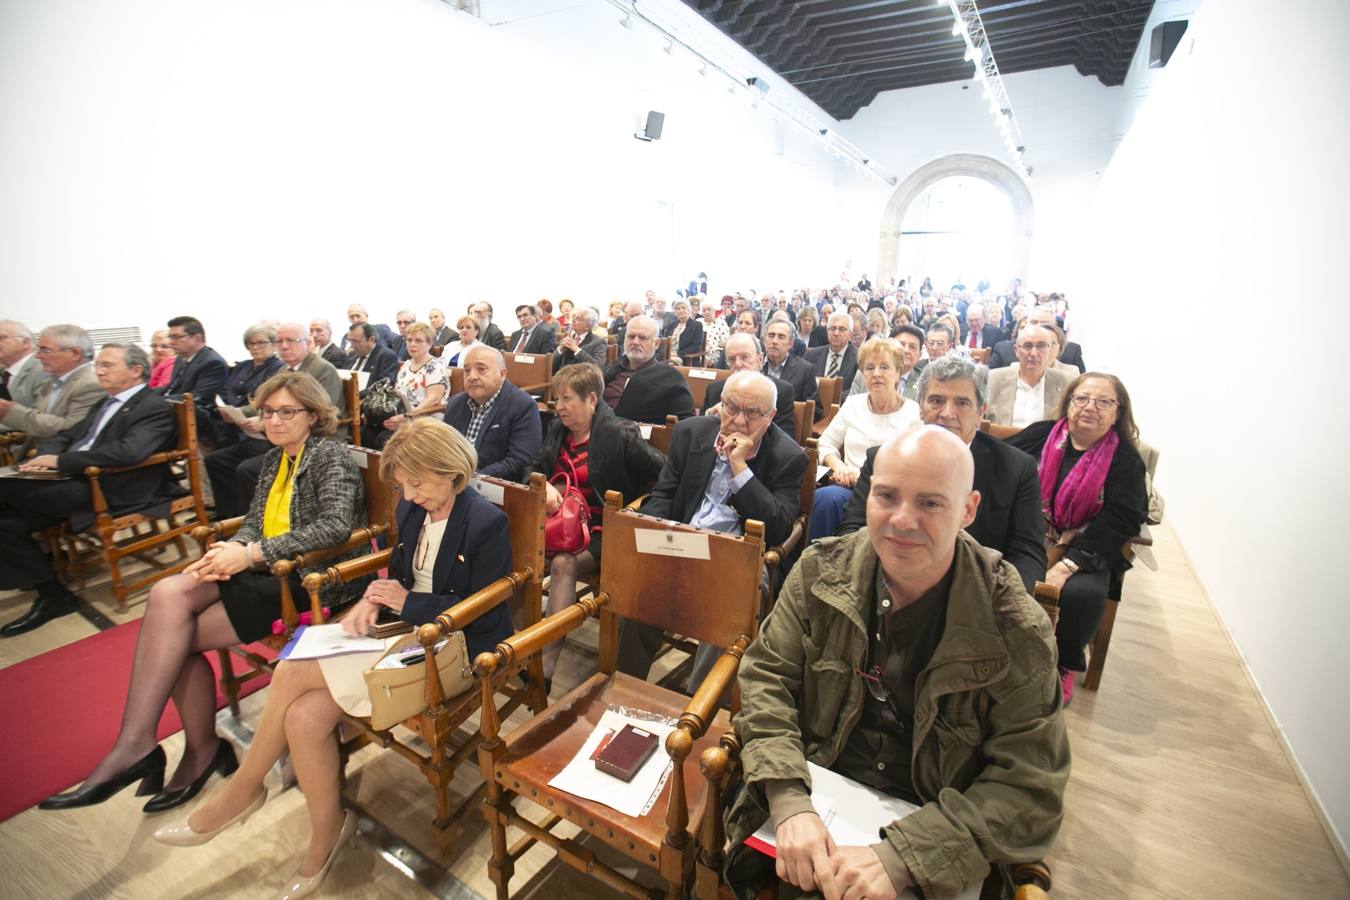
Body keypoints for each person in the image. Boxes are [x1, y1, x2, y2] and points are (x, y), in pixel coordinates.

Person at [153, 418, 507, 897]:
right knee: (302, 717)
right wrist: (374, 599)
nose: (409, 494)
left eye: (418, 482)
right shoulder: (410, 509)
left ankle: (242, 791)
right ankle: (328, 829)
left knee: (294, 668)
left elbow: (485, 610)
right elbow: (399, 573)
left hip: (455, 648)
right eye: (402, 484)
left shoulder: (485, 521)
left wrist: (410, 605)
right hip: (403, 631)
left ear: (452, 472)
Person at [723, 426, 1070, 899]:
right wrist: (787, 798)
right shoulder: (819, 573)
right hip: (819, 800)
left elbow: (1029, 787)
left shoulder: (1013, 627)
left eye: (930, 503)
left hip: (939, 830)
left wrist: (905, 858)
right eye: (886, 496)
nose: (902, 521)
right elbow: (766, 680)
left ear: (968, 510)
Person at [40, 371, 369, 813]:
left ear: (313, 414)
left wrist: (251, 554)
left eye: (286, 412)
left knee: (175, 644)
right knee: (168, 593)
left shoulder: (331, 456)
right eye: (267, 412)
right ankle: (141, 743)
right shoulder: (275, 459)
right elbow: (254, 519)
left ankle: (185, 750)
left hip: (304, 579)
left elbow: (334, 528)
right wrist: (231, 548)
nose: (273, 421)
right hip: (265, 563)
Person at [619, 371, 807, 684]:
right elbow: (664, 493)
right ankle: (625, 688)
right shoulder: (691, 433)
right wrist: (659, 535)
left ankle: (701, 704)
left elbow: (777, 528)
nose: (739, 421)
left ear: (771, 416)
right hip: (683, 541)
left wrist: (740, 468)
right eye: (731, 408)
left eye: (752, 413)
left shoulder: (787, 457)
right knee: (642, 588)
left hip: (737, 556)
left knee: (734, 597)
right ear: (719, 405)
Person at [0, 343, 177, 637]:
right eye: (99, 365)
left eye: (108, 365)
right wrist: (43, 459)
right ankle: (54, 596)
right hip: (74, 480)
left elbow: (129, 452)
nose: (99, 371)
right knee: (5, 526)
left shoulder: (153, 406)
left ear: (135, 370)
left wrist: (62, 461)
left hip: (112, 486)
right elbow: (68, 434)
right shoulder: (106, 401)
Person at [838, 354, 1047, 593]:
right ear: (920, 408)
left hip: (978, 596)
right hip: (889, 588)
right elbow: (852, 531)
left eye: (962, 403)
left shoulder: (1016, 468)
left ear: (981, 412)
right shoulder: (884, 458)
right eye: (936, 401)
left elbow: (1028, 556)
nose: (947, 413)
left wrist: (994, 598)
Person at [1008, 373, 1148, 704]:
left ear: (1118, 411)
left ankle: (1061, 662)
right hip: (1027, 531)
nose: (1090, 407)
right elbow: (1001, 460)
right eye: (1082, 398)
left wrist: (1068, 563)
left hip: (1086, 546)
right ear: (1069, 402)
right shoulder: (1043, 435)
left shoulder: (1124, 459)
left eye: (1104, 402)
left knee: (1082, 595)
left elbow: (1123, 517)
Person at [525, 363, 665, 684]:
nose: (557, 407)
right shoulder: (558, 430)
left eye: (565, 399)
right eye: (556, 399)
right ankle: (517, 644)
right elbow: (531, 467)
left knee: (563, 565)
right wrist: (542, 483)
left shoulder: (619, 432)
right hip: (558, 525)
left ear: (591, 399)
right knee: (513, 546)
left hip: (602, 532)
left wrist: (634, 513)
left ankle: (544, 666)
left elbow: (664, 473)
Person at [207, 323, 345, 519]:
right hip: (283, 434)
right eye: (280, 341)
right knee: (216, 460)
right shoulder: (284, 370)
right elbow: (263, 402)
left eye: (291, 340)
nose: (284, 346)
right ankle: (229, 518)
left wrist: (265, 421)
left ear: (308, 342)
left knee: (247, 470)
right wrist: (239, 412)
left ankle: (257, 522)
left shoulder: (322, 369)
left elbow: (321, 413)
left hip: (316, 438)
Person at [810, 338, 922, 540]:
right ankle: (816, 563)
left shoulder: (914, 413)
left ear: (898, 372)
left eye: (885, 367)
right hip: (848, 488)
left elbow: (915, 467)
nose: (876, 374)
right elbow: (825, 443)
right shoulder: (853, 404)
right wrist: (839, 467)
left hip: (891, 495)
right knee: (824, 499)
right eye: (869, 367)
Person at [0, 324, 103, 457]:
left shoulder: (90, 385)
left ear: (75, 354)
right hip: (34, 456)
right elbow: (38, 418)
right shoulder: (51, 382)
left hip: (63, 460)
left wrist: (10, 411)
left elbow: (71, 428)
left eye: (45, 350)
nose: (38, 356)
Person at [442, 345, 542, 481]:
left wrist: (472, 478)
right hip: (452, 481)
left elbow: (519, 461)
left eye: (481, 369)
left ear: (502, 374)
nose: (472, 377)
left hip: (495, 488)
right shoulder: (455, 403)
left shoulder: (523, 406)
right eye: (466, 371)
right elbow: (443, 448)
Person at [361, 321, 449, 449]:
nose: (413, 344)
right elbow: (395, 396)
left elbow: (434, 399)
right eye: (409, 340)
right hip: (400, 415)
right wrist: (375, 413)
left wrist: (407, 417)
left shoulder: (435, 366)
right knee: (365, 432)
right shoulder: (406, 365)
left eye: (418, 341)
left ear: (429, 344)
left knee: (384, 439)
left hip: (422, 420)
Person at [601, 315, 695, 424]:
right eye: (631, 336)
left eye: (642, 338)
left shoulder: (671, 378)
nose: (635, 342)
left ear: (656, 343)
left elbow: (686, 423)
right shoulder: (611, 370)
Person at [702, 334, 795, 436]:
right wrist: (709, 415)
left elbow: (783, 439)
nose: (737, 364)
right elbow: (702, 434)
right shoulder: (715, 390)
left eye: (745, 357)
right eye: (731, 359)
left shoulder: (781, 391)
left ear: (760, 360)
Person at [210, 323, 284, 446]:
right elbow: (225, 389)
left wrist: (239, 412)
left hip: (252, 426)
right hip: (226, 421)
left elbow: (266, 399)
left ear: (274, 345)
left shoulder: (279, 368)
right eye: (251, 343)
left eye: (261, 343)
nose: (255, 347)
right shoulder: (241, 366)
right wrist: (224, 408)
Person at [986, 325, 1072, 428]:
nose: (1034, 353)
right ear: (1016, 351)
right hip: (1001, 441)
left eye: (1041, 346)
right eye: (1027, 346)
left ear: (1050, 350)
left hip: (1045, 443)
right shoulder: (994, 379)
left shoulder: (1066, 383)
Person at [161, 316, 228, 432]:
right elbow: (171, 387)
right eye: (170, 337)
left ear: (197, 338)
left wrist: (159, 402)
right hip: (175, 412)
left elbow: (198, 398)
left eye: (177, 337)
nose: (171, 342)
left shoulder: (212, 362)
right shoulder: (181, 358)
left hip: (197, 422)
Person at [762, 319, 818, 421]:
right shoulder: (755, 365)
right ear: (764, 340)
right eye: (771, 335)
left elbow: (815, 410)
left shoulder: (805, 370)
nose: (774, 341)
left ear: (791, 343)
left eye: (781, 337)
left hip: (786, 427)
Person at [849, 324, 923, 400]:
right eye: (901, 344)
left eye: (912, 347)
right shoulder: (863, 375)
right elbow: (850, 408)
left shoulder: (923, 382)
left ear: (920, 355)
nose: (906, 350)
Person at [0, 320, 45, 421]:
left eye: (1, 338)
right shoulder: (3, 372)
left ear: (25, 343)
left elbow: (40, 418)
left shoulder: (43, 370)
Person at [806, 312, 859, 388]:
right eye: (832, 329)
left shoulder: (858, 359)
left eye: (842, 329)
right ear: (827, 332)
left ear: (850, 334)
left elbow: (857, 390)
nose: (836, 333)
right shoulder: (811, 356)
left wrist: (833, 396)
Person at [343, 321, 400, 387]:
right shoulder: (351, 354)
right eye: (350, 341)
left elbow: (383, 386)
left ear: (371, 340)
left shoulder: (386, 357)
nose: (352, 346)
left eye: (355, 341)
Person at [669, 298, 704, 364]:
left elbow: (696, 347)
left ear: (689, 310)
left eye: (683, 308)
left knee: (667, 363)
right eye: (678, 309)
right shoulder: (670, 326)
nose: (681, 310)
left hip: (685, 358)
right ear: (675, 312)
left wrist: (677, 354)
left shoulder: (697, 325)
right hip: (668, 356)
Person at [700, 298, 731, 364]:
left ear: (714, 311)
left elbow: (725, 342)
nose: (706, 312)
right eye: (704, 310)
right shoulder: (699, 322)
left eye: (709, 309)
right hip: (699, 353)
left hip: (715, 352)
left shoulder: (721, 323)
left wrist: (712, 348)